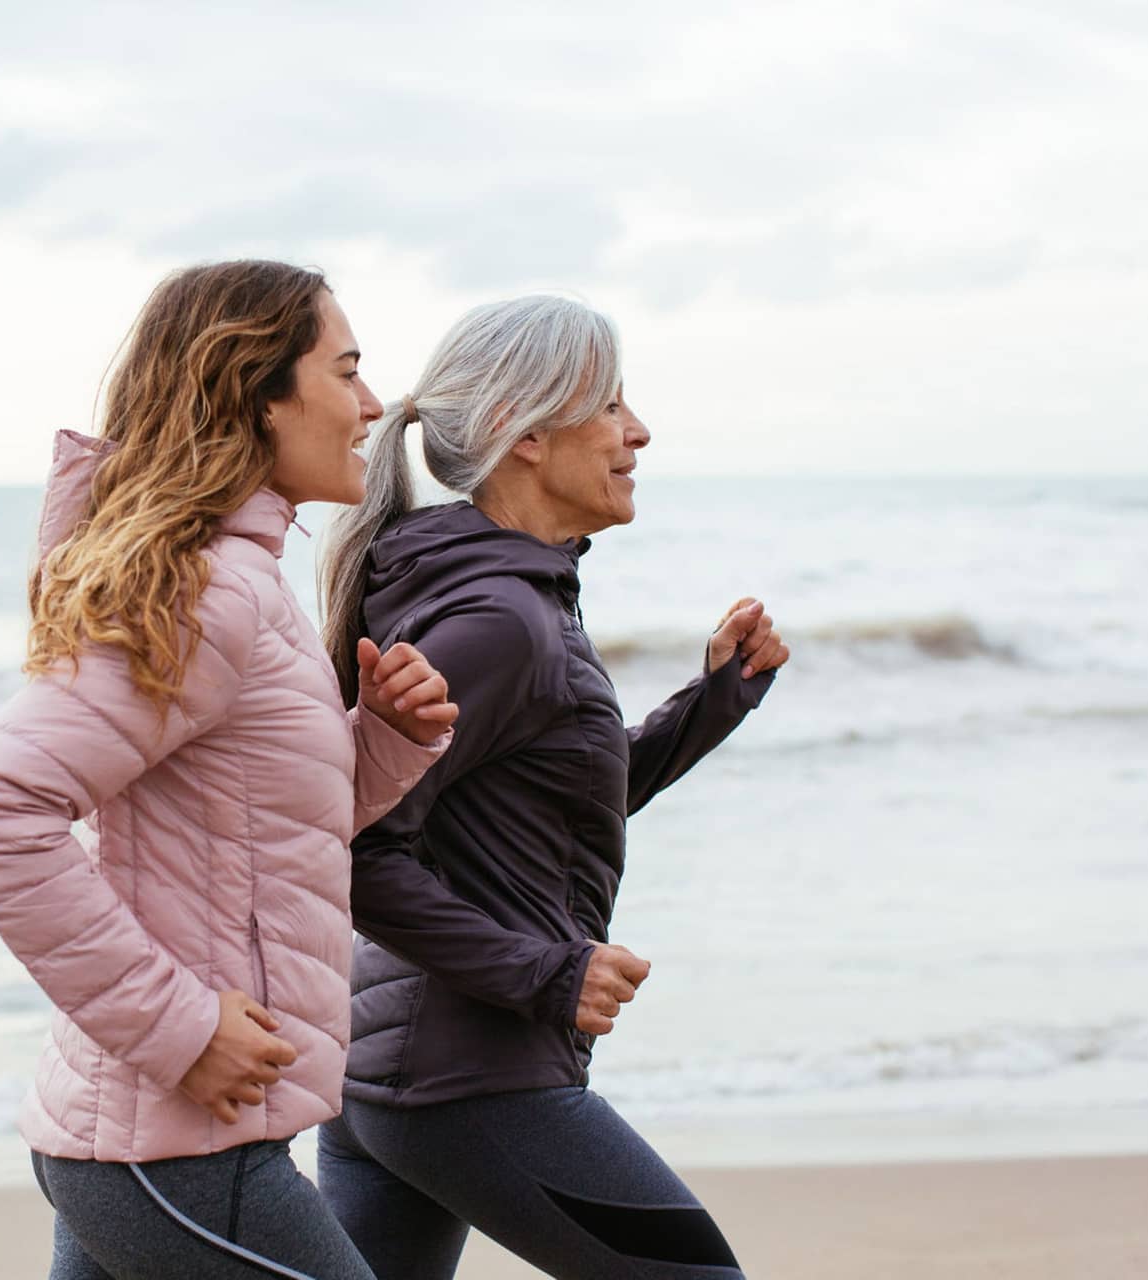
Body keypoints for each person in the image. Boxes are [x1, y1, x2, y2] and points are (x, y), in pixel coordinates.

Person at [0, 260, 460, 1280]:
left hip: (164, 1140)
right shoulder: (208, 591)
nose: (371, 403)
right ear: (255, 396)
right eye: (344, 371)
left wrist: (380, 740)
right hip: (173, 1146)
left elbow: (258, 828)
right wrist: (174, 1024)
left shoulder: (242, 580)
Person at [313, 296, 790, 1279]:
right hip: (467, 1074)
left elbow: (542, 805)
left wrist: (711, 702)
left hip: (399, 1071)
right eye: (608, 403)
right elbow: (350, 850)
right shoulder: (498, 620)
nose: (637, 430)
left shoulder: (501, 594)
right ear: (521, 434)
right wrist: (547, 972)